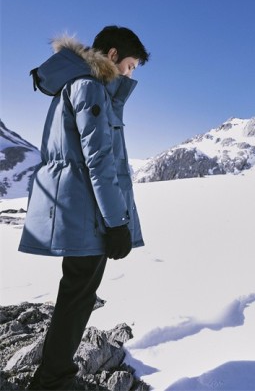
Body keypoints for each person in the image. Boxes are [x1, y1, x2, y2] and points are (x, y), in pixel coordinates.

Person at [19, 25, 150, 390]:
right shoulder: (90, 86)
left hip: (80, 208)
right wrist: (116, 223)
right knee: (79, 294)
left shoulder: (76, 84)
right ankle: (53, 379)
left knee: (77, 292)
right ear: (111, 55)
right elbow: (99, 161)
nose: (130, 73)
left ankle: (54, 375)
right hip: (87, 212)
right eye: (129, 65)